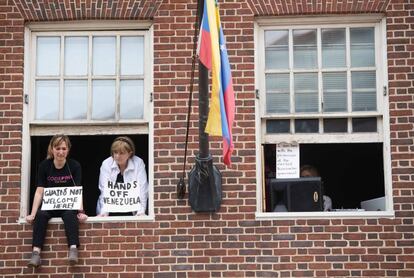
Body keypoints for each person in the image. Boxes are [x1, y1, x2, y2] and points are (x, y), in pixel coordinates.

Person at [26, 135, 87, 268]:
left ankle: (73, 250)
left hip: (67, 205)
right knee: (41, 215)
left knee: (70, 215)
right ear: (52, 149)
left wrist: (81, 211)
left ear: (68, 150)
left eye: (64, 148)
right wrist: (32, 213)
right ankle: (36, 253)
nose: (60, 152)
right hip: (49, 205)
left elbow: (77, 190)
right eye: (57, 148)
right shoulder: (44, 166)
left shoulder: (74, 166)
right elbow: (39, 191)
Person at [96, 136, 149, 216]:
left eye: (121, 153)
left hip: (133, 211)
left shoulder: (138, 163)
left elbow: (143, 188)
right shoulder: (106, 163)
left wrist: (141, 211)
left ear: (130, 153)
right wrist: (103, 213)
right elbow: (104, 189)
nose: (117, 156)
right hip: (109, 211)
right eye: (115, 152)